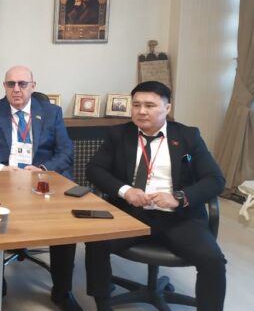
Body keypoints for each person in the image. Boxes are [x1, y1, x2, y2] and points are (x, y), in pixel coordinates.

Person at [85, 81, 226, 311]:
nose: (141, 111)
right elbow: (94, 169)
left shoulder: (188, 136)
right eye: (136, 105)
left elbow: (215, 180)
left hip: (178, 218)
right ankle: (102, 302)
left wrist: (178, 197)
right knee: (95, 241)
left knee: (213, 260)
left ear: (167, 108)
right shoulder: (119, 134)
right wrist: (126, 191)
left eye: (150, 105)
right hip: (131, 214)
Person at [0, 65, 81, 311]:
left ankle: (62, 291)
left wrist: (42, 168)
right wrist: (1, 168)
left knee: (65, 230)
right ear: (4, 86)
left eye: (22, 84)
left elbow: (66, 151)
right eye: (11, 84)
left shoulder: (52, 112)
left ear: (33, 86)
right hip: (3, 181)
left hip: (43, 181)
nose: (17, 89)